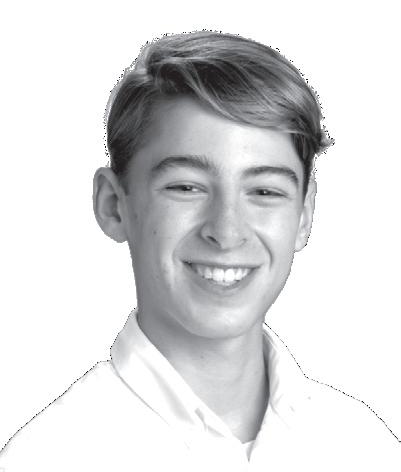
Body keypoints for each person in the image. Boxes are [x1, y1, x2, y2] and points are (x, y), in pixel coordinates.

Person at [0, 31, 399, 471]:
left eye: (265, 191)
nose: (227, 232)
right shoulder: (46, 459)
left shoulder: (366, 448)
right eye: (186, 187)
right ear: (114, 205)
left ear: (304, 215)